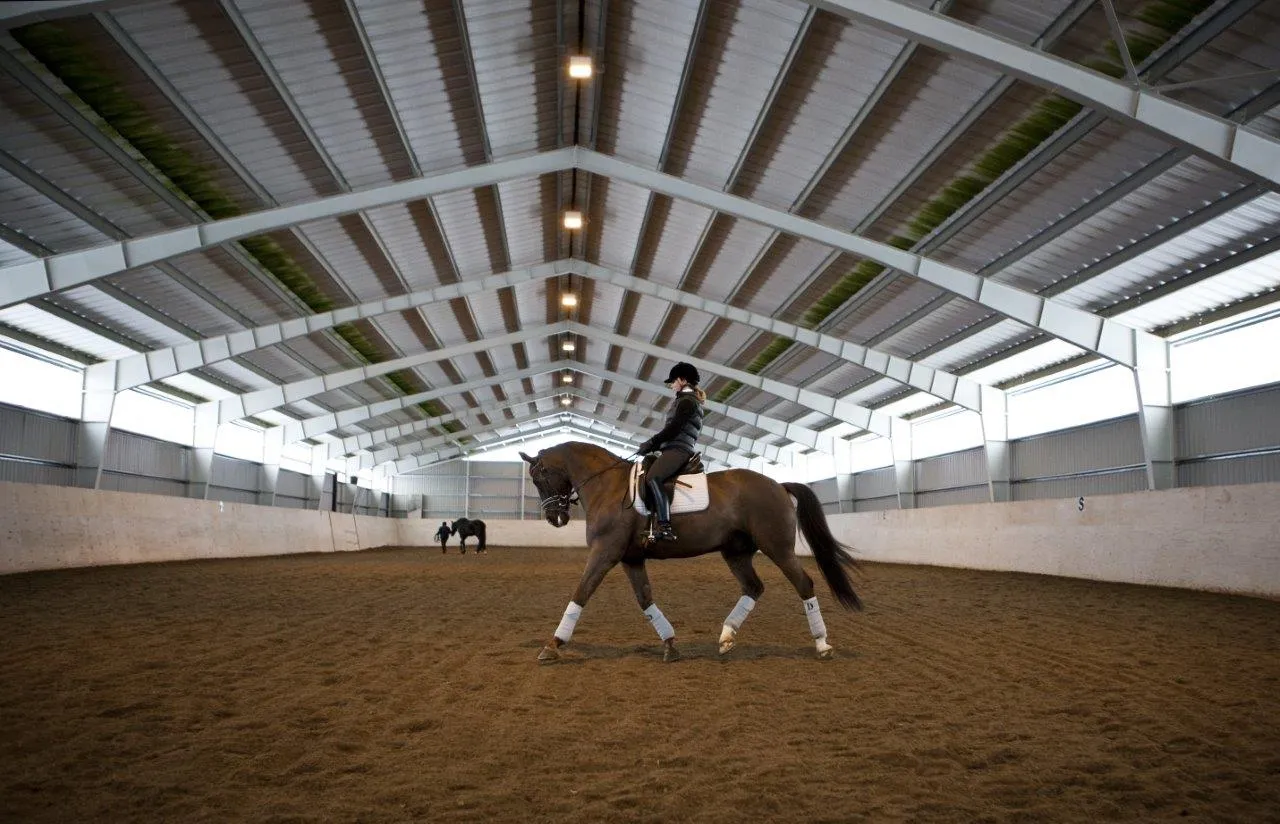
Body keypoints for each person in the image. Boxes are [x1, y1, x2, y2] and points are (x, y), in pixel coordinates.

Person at [636, 362, 706, 542]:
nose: (672, 385)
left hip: (679, 449)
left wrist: (652, 442)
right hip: (675, 447)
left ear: (682, 380)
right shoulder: (684, 400)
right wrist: (655, 447)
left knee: (654, 477)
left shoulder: (687, 401)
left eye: (673, 381)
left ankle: (665, 526)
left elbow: (675, 428)